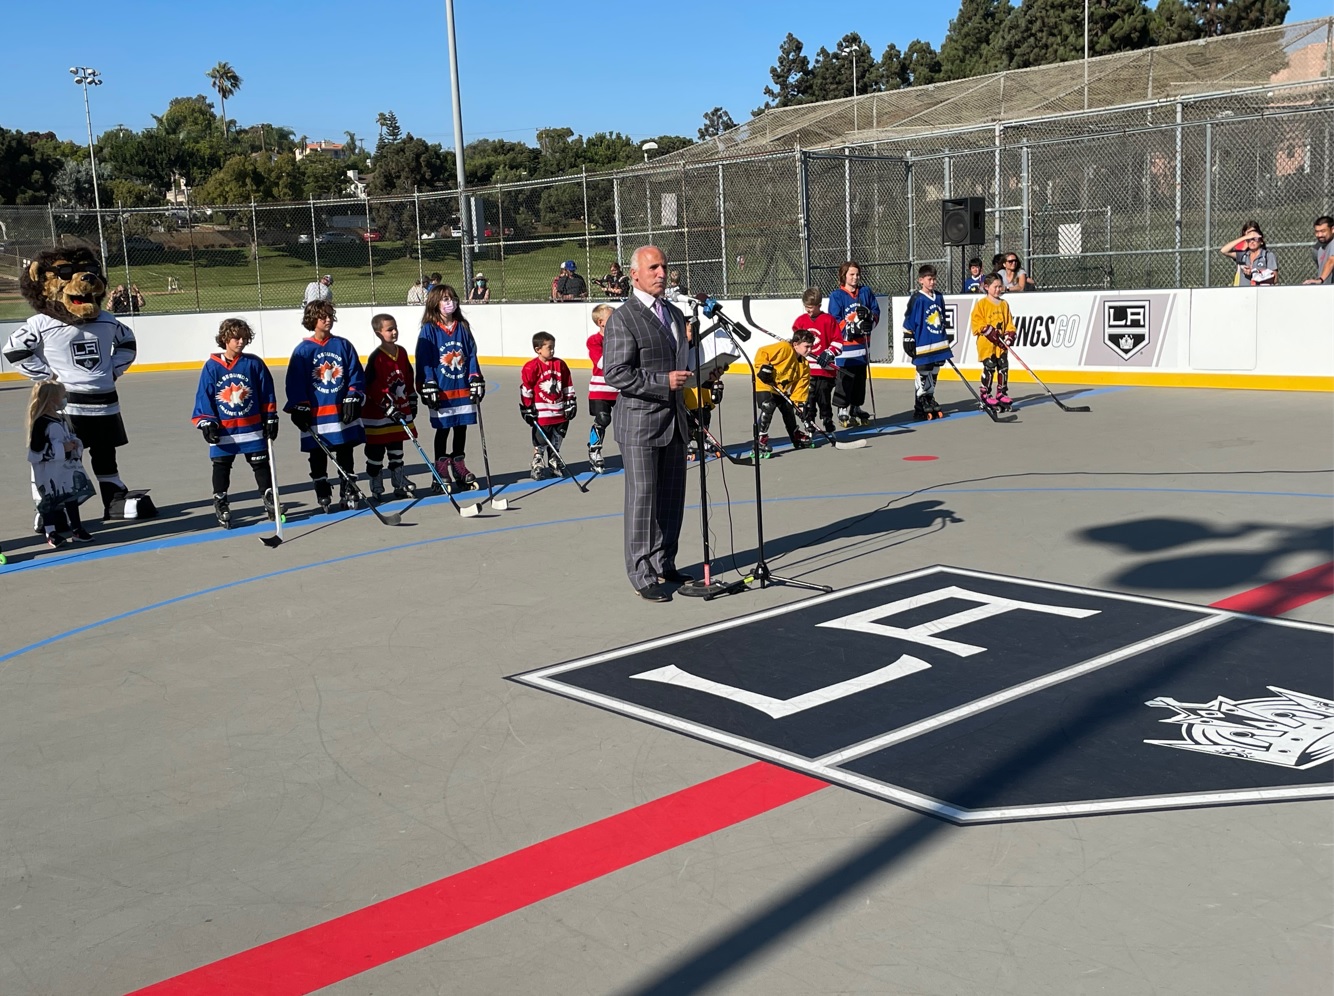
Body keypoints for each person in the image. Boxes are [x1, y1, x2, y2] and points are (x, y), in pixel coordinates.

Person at [4, 245, 151, 521]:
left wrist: (113, 370)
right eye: (66, 273)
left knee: (106, 454)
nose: (84, 279)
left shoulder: (106, 320)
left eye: (91, 272)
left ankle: (114, 500)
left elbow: (128, 343)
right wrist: (50, 377)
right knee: (66, 458)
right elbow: (13, 351)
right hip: (68, 405)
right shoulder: (42, 322)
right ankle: (54, 507)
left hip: (106, 403)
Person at [602, 244, 693, 602]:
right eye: (654, 267)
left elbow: (678, 362)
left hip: (675, 421)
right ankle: (641, 572)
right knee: (643, 499)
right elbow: (616, 372)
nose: (661, 273)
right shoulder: (624, 318)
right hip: (640, 425)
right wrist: (662, 382)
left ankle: (664, 561)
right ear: (634, 274)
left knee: (672, 498)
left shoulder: (673, 312)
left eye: (664, 267)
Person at [191, 317, 279, 528]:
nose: (241, 342)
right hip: (225, 429)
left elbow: (266, 391)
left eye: (244, 338)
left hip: (251, 427)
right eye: (236, 338)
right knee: (221, 466)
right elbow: (205, 396)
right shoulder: (212, 367)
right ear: (225, 339)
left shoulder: (254, 363)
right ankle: (221, 501)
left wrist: (271, 416)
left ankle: (269, 498)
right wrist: (207, 422)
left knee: (260, 464)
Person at [285, 300, 365, 513]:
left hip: (340, 412)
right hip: (317, 415)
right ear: (313, 320)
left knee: (345, 450)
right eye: (323, 316)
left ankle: (348, 486)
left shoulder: (343, 345)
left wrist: (353, 396)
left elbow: (355, 373)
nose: (328, 319)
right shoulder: (303, 350)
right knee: (318, 453)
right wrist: (299, 406)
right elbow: (295, 382)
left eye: (330, 315)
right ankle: (322, 486)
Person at [415, 284, 484, 494]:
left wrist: (475, 377)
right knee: (443, 428)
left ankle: (458, 463)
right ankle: (441, 467)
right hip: (442, 389)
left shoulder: (462, 326)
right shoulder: (429, 329)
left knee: (461, 426)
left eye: (452, 298)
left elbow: (471, 354)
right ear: (435, 302)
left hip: (461, 387)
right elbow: (424, 358)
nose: (450, 302)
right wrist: (428, 383)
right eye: (445, 299)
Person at [27, 380, 94, 548]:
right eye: (62, 396)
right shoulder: (41, 422)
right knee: (50, 500)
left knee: (70, 496)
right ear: (51, 399)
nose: (64, 399)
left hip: (65, 469)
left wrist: (75, 444)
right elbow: (36, 451)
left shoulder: (62, 418)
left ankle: (77, 528)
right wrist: (61, 448)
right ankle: (51, 532)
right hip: (48, 471)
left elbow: (69, 436)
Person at [362, 314, 418, 501]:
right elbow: (371, 386)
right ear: (379, 333)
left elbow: (408, 377)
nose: (394, 332)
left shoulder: (401, 352)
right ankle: (376, 483)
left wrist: (411, 398)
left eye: (395, 328)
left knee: (396, 448)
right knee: (375, 453)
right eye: (389, 329)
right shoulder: (376, 358)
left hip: (398, 411)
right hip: (378, 415)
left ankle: (398, 481)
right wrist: (386, 405)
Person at [826, 260, 879, 428]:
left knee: (859, 379)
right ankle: (842, 408)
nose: (855, 277)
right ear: (844, 276)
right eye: (851, 274)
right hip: (845, 349)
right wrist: (851, 327)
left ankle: (856, 407)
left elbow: (876, 311)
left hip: (862, 347)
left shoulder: (865, 292)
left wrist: (869, 320)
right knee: (844, 379)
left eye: (857, 274)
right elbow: (834, 320)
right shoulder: (837, 296)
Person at [519, 332, 577, 480]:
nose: (552, 350)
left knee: (557, 437)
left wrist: (570, 401)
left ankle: (554, 460)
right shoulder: (531, 367)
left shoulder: (560, 364)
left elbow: (567, 383)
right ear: (538, 349)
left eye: (553, 347)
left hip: (559, 409)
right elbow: (526, 388)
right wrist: (527, 407)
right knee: (540, 440)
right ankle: (537, 463)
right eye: (549, 347)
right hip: (542, 411)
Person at [901, 264, 954, 421]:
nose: (932, 282)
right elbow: (909, 319)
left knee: (935, 370)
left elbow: (942, 317)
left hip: (938, 342)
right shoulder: (917, 299)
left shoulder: (938, 296)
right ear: (921, 280)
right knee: (923, 370)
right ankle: (920, 402)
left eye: (934, 279)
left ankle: (930, 396)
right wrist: (908, 337)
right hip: (923, 343)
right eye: (929, 279)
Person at [753, 328, 815, 457]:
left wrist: (800, 407)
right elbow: (762, 352)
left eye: (811, 347)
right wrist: (763, 367)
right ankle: (760, 440)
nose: (809, 350)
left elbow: (799, 390)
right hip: (764, 382)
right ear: (796, 344)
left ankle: (795, 435)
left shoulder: (804, 366)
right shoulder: (784, 348)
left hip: (779, 389)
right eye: (806, 347)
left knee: (788, 408)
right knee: (768, 406)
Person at [792, 287, 839, 435]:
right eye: (806, 307)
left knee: (823, 396)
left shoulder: (829, 320)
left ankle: (827, 419)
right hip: (807, 370)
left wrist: (829, 352)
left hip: (825, 370)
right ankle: (809, 421)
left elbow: (838, 342)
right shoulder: (800, 321)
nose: (808, 311)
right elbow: (796, 343)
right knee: (808, 398)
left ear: (819, 305)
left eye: (811, 308)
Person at [970, 273, 1016, 413]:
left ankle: (1001, 392)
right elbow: (976, 322)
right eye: (995, 287)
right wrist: (988, 330)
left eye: (1000, 286)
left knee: (1003, 367)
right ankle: (985, 394)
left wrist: (1009, 335)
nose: (998, 289)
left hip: (1001, 345)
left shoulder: (1004, 304)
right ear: (986, 287)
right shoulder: (982, 304)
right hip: (987, 345)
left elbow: (1009, 323)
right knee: (989, 368)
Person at [682, 315, 725, 463]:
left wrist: (714, 385)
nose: (693, 335)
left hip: (701, 395)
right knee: (686, 421)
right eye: (689, 331)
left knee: (704, 416)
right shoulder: (679, 351)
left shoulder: (700, 348)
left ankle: (703, 440)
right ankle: (686, 442)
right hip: (687, 394)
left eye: (695, 331)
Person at [586, 303, 618, 473]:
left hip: (620, 388)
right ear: (601, 322)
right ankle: (594, 449)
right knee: (603, 419)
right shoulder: (594, 341)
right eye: (612, 318)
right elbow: (601, 363)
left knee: (627, 421)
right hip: (600, 388)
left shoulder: (623, 337)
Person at [1305, 215, 1334, 285]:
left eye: (1323, 231)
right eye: (1317, 232)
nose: (1319, 235)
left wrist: (1320, 280)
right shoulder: (1318, 248)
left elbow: (1331, 261)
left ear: (1333, 229)